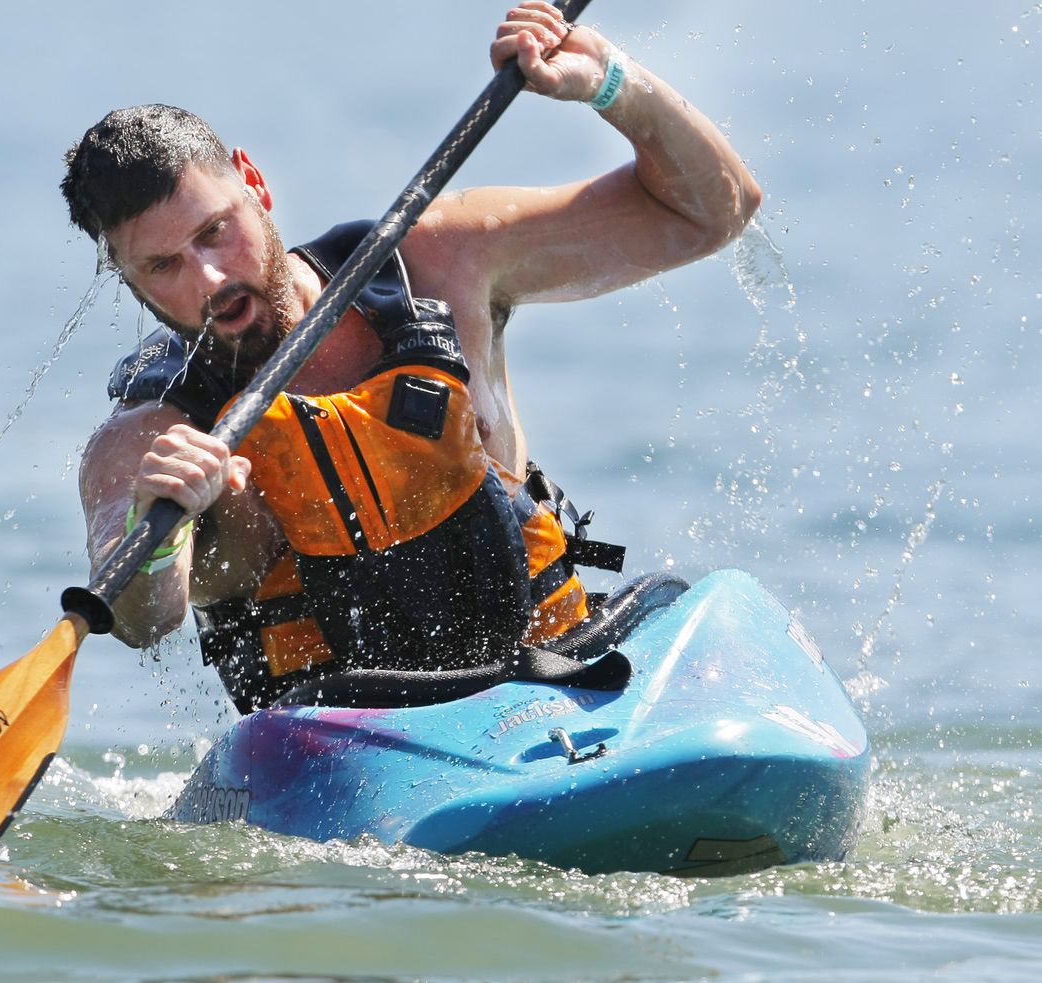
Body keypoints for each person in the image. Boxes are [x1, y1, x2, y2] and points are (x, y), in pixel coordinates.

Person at [61, 1, 762, 712]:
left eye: (216, 231)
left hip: (562, 681)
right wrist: (158, 529)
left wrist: (612, 84)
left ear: (254, 183)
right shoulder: (149, 440)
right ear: (126, 276)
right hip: (346, 757)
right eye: (164, 267)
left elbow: (713, 211)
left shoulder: (437, 265)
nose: (210, 279)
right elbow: (144, 618)